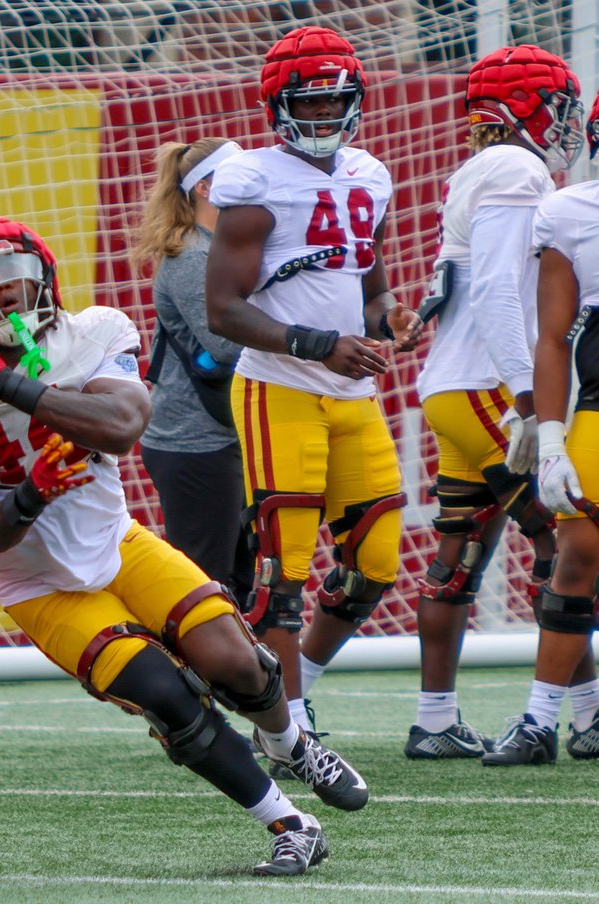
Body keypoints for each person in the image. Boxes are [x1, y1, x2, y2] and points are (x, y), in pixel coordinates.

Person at [0, 216, 370, 877]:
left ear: (47, 277)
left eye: (16, 276)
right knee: (165, 695)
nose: (5, 294)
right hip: (38, 584)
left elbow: (121, 426)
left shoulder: (96, 332)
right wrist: (30, 494)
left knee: (239, 662)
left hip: (117, 541)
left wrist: (8, 385)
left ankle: (289, 743)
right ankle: (290, 822)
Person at [204, 25, 423, 738]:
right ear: (280, 105)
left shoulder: (370, 173)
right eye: (313, 103)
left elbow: (367, 277)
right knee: (282, 573)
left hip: (349, 392)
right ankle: (287, 725)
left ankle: (294, 688)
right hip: (279, 388)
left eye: (336, 103)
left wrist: (388, 312)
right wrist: (317, 344)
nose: (327, 116)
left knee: (375, 561)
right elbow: (224, 309)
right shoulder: (254, 177)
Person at [407, 45, 591, 761]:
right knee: (570, 545)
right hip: (491, 389)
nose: (565, 120)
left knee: (455, 559)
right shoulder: (518, 169)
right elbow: (490, 291)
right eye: (557, 103)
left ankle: (433, 718)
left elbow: (456, 284)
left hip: (454, 387)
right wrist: (526, 396)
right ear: (525, 105)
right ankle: (573, 716)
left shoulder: (480, 169)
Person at [482, 90, 599, 765]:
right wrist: (550, 437)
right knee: (578, 554)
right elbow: (553, 338)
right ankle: (539, 723)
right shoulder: (569, 212)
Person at [132, 137, 253, 603]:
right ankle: (198, 677)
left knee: (240, 584)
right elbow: (225, 345)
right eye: (238, 177)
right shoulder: (190, 255)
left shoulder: (217, 249)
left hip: (225, 436)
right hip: (194, 443)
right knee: (205, 590)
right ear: (204, 187)